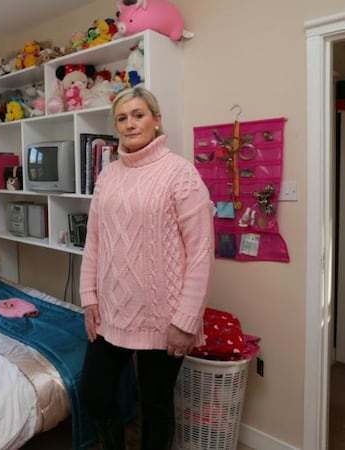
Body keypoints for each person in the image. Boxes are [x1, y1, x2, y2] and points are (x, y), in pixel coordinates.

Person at [79, 85, 214, 450]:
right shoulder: (107, 175)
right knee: (93, 391)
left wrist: (185, 320)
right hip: (112, 310)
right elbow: (95, 241)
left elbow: (201, 252)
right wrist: (89, 297)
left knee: (155, 406)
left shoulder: (180, 174)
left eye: (138, 115)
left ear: (157, 120)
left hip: (164, 317)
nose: (129, 124)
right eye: (122, 118)